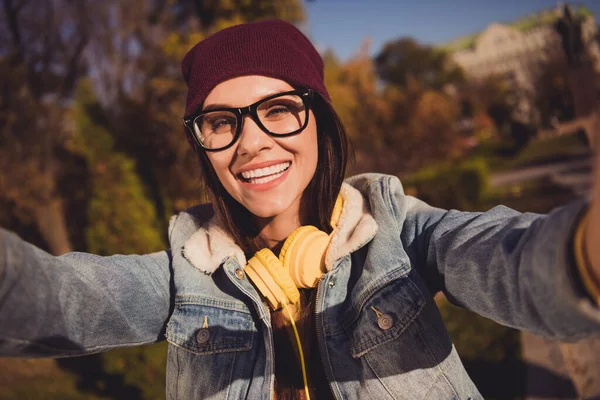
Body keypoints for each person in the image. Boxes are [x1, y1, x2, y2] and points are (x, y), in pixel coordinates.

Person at [1, 19, 599, 400]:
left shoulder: (397, 230)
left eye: (278, 108)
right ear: (203, 145)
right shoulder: (188, 272)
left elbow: (509, 260)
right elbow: (61, 300)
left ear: (321, 120)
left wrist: (584, 254)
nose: (252, 141)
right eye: (221, 122)